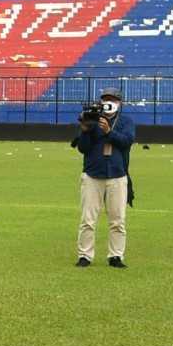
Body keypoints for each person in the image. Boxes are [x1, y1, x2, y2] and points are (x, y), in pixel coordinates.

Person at [71, 86, 135, 268]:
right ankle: (85, 255)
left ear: (119, 102)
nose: (108, 102)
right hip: (92, 175)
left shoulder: (126, 121)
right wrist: (85, 130)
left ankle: (116, 256)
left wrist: (108, 132)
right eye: (105, 99)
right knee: (88, 219)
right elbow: (83, 148)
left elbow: (126, 142)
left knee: (118, 220)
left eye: (112, 99)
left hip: (117, 175)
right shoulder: (92, 119)